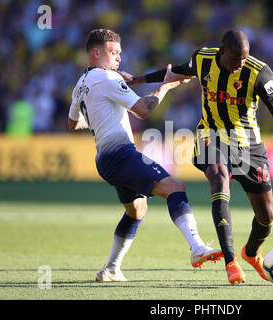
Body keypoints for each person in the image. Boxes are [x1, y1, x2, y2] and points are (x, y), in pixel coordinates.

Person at [126, 29, 273, 284]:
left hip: (248, 145)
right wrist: (136, 79)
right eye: (236, 59)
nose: (240, 64)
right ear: (223, 51)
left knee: (267, 216)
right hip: (210, 135)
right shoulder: (203, 59)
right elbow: (176, 71)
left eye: (244, 58)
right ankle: (231, 262)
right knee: (219, 177)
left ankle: (251, 253)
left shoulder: (260, 73)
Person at [68, 29, 223, 282]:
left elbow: (72, 124)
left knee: (136, 210)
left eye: (120, 52)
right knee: (175, 187)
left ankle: (110, 269)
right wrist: (166, 86)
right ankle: (196, 248)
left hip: (106, 159)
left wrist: (97, 121)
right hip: (120, 154)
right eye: (113, 52)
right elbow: (142, 110)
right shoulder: (105, 79)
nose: (119, 57)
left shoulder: (81, 85)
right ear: (96, 53)